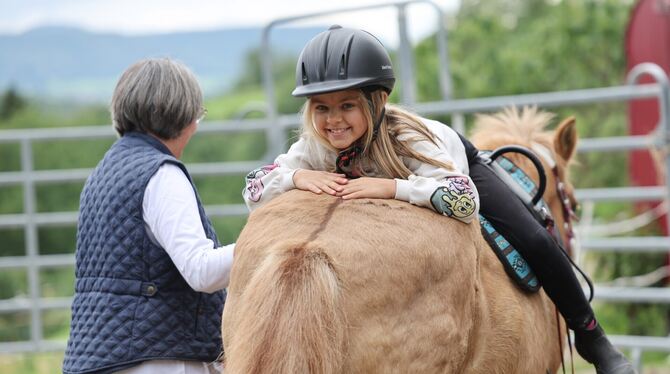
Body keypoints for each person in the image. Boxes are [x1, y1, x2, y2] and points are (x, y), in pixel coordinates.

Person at [243, 26, 635, 374]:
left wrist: (393, 188)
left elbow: (463, 199)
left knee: (534, 239)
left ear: (376, 102)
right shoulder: (315, 145)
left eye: (347, 105)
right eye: (321, 108)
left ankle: (592, 337)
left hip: (458, 168)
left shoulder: (410, 139)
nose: (334, 120)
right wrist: (295, 176)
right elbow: (253, 189)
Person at [62, 58, 234, 374]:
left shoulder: (103, 173)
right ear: (182, 116)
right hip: (159, 360)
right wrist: (263, 241)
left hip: (99, 357)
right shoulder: (162, 175)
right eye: (198, 114)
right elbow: (202, 272)